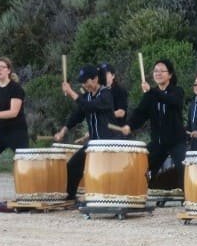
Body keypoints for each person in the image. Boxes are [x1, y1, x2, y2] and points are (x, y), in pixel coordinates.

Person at [53, 65, 115, 200]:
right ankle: (70, 197)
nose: (84, 85)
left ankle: (105, 197)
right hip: (93, 144)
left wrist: (71, 92)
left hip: (107, 143)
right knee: (72, 166)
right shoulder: (87, 96)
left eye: (86, 81)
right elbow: (77, 116)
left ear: (95, 79)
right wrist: (63, 131)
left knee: (100, 171)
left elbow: (90, 107)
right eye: (82, 82)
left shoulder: (106, 94)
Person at [121, 58, 187, 185]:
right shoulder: (150, 95)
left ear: (170, 75)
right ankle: (144, 190)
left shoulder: (177, 91)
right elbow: (140, 113)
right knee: (143, 169)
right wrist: (129, 125)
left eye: (162, 71)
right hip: (158, 142)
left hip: (176, 142)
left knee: (183, 169)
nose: (158, 73)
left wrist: (151, 91)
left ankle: (188, 194)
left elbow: (172, 101)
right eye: (156, 71)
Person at [99, 63, 128, 127]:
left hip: (116, 129)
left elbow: (121, 112)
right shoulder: (98, 92)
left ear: (113, 76)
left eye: (106, 74)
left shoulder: (119, 91)